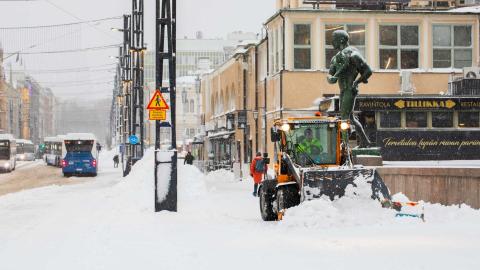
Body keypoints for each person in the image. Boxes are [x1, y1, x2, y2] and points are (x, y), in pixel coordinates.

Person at [327, 29, 373, 147]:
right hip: (342, 90)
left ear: (341, 40)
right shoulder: (336, 58)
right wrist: (330, 78)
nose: (332, 42)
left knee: (344, 118)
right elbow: (330, 75)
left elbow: (368, 71)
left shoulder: (353, 54)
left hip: (349, 89)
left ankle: (344, 145)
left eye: (334, 39)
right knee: (351, 118)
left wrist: (356, 82)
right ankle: (365, 142)